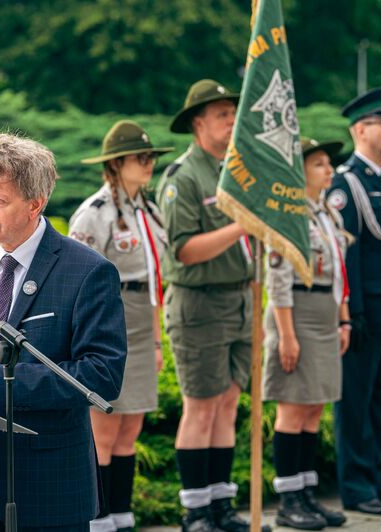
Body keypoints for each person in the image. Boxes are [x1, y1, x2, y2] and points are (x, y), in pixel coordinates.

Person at [0, 133, 127, 531]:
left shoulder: (87, 271)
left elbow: (102, 375)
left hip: (49, 484)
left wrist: (2, 384)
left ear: (36, 204)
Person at [156, 79, 268, 532]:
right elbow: (182, 250)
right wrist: (242, 225)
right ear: (199, 123)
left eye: (232, 113)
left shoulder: (237, 171)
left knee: (227, 402)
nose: (231, 122)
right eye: (223, 114)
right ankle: (195, 510)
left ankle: (221, 504)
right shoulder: (184, 177)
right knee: (200, 405)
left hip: (240, 298)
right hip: (199, 302)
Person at [70, 120, 172, 532]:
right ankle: (99, 516)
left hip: (145, 313)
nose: (149, 164)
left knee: (133, 423)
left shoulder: (148, 209)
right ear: (115, 164)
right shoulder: (95, 212)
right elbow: (76, 277)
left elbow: (156, 274)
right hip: (111, 313)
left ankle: (123, 514)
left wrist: (159, 338)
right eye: (140, 158)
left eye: (151, 158)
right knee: (106, 427)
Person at [264, 137, 351, 530]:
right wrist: (287, 334)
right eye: (319, 164)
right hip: (295, 312)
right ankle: (288, 498)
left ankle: (307, 493)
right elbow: (277, 278)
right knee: (293, 405)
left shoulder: (326, 214)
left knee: (315, 405)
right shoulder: (289, 214)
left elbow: (338, 274)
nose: (329, 170)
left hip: (324, 312)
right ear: (298, 171)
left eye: (328, 164)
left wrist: (342, 319)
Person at [326, 87, 381, 516]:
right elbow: (344, 254)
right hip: (365, 313)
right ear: (360, 129)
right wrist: (353, 315)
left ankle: (380, 481)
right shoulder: (345, 183)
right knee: (355, 403)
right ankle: (356, 485)